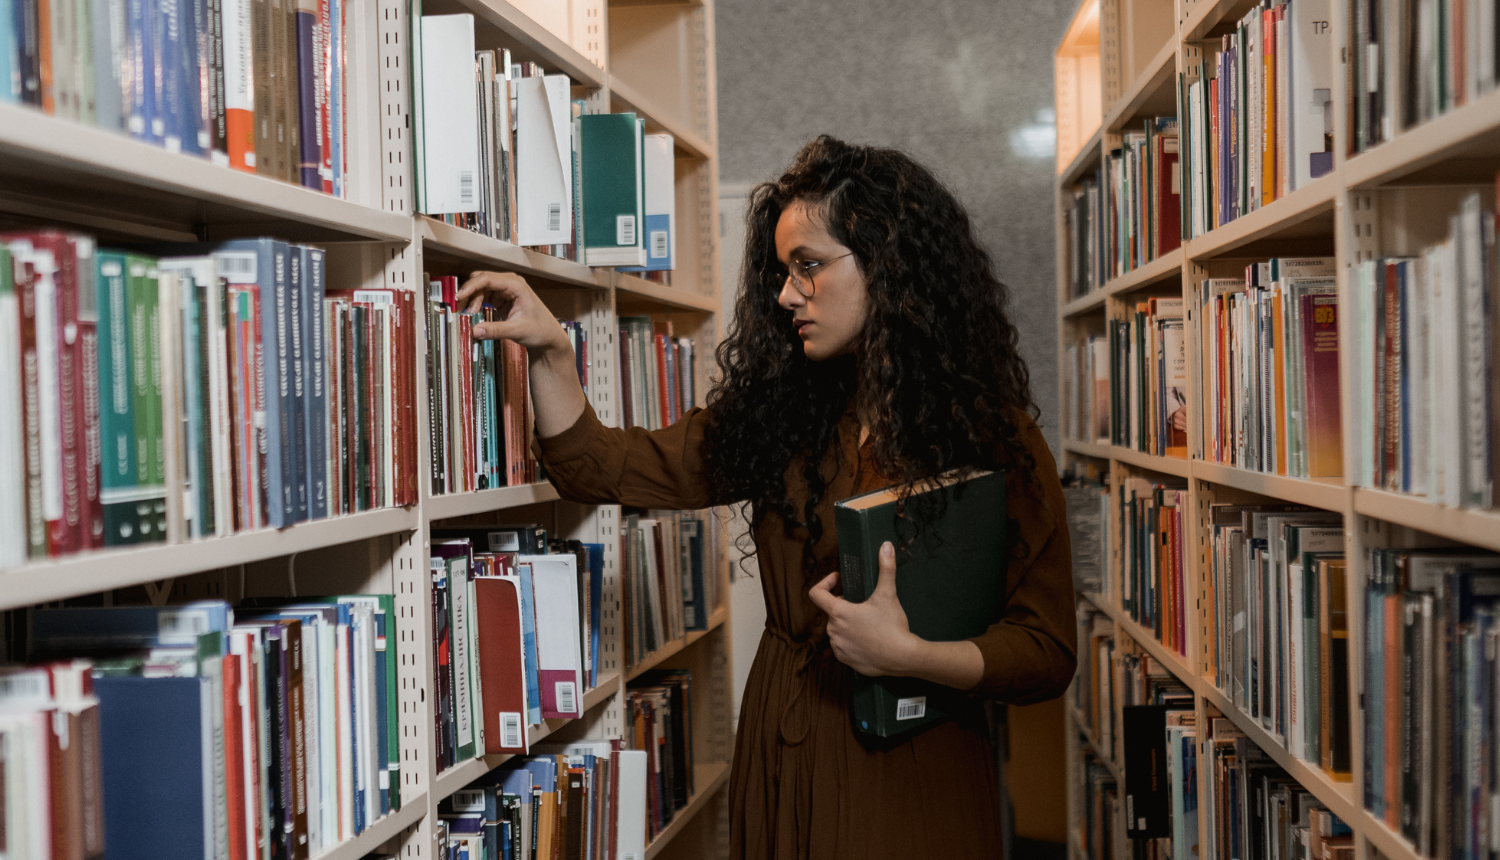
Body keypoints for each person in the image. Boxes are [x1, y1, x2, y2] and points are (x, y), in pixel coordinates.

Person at [457, 136, 1077, 860]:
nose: (786, 294)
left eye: (808, 267)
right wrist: (552, 353)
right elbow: (602, 468)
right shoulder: (779, 416)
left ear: (888, 261)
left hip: (914, 760)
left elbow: (1045, 651)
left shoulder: (993, 437)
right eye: (782, 273)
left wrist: (910, 654)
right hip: (784, 736)